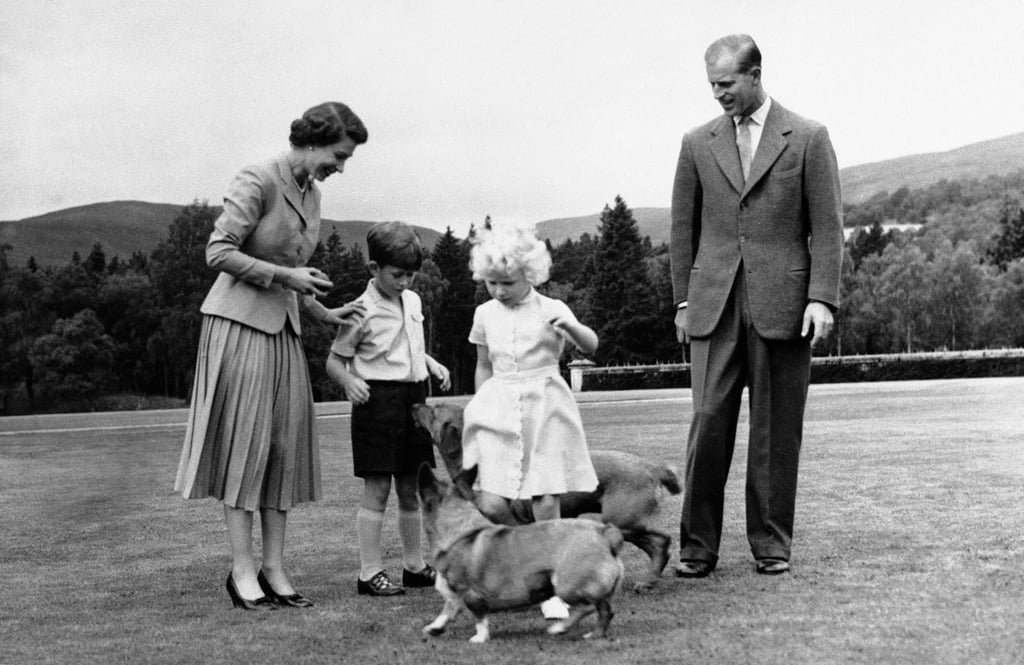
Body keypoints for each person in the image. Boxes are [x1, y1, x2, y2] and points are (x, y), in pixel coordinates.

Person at [175, 102, 369, 609]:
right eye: (338, 155)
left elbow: (292, 271)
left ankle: (275, 569)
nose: (340, 166)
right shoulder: (259, 178)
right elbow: (218, 252)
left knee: (283, 451)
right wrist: (286, 278)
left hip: (284, 330)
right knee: (247, 446)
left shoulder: (313, 193)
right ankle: (241, 571)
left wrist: (326, 314)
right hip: (238, 326)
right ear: (310, 142)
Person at [668, 35, 843, 578]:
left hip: (786, 306)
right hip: (712, 305)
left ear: (755, 74)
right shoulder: (697, 142)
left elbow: (828, 229)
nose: (717, 94)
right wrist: (681, 299)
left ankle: (771, 545)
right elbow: (681, 229)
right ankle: (697, 547)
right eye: (711, 85)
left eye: (726, 84)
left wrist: (821, 299)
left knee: (776, 431)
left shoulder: (809, 137)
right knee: (707, 421)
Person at [462, 222, 600, 618]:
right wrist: (481, 405)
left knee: (544, 494)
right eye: (491, 283)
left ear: (531, 274)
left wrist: (572, 328)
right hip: (501, 406)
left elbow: (591, 345)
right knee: (490, 499)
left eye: (508, 282)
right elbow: (483, 365)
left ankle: (553, 584)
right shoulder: (484, 314)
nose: (499, 291)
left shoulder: (552, 308)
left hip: (545, 406)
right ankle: (527, 551)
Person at [326, 221, 452, 597]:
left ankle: (414, 567)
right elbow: (334, 361)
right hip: (376, 403)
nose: (405, 282)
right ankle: (370, 573)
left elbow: (405, 344)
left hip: (414, 399)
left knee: (412, 487)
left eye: (411, 275)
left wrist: (430, 362)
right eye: (397, 274)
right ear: (373, 269)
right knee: (378, 488)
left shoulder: (412, 301)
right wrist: (349, 381)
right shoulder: (359, 311)